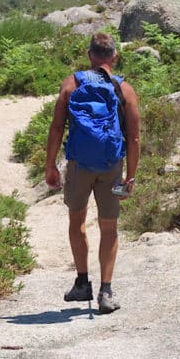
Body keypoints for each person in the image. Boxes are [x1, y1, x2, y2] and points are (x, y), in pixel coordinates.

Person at [45, 32, 140, 314]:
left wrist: (50, 164)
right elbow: (133, 138)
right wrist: (130, 175)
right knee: (109, 228)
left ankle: (82, 282)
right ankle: (106, 292)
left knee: (77, 222)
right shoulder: (125, 90)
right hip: (111, 165)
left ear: (89, 56)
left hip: (78, 164)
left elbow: (56, 127)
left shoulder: (71, 84)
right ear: (114, 56)